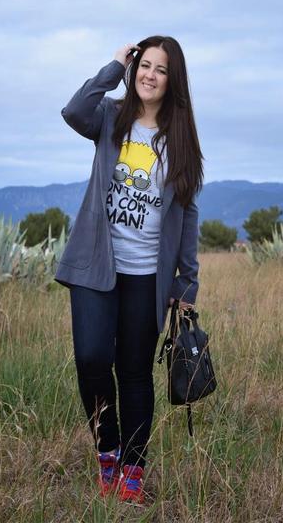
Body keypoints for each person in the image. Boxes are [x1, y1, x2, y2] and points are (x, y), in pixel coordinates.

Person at [54, 35, 204, 504]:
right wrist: (115, 65)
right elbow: (74, 109)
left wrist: (187, 279)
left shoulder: (179, 142)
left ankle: (132, 473)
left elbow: (189, 212)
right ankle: (108, 451)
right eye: (144, 65)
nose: (149, 75)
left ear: (171, 79)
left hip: (147, 278)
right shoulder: (109, 119)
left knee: (136, 372)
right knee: (93, 359)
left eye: (160, 69)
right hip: (96, 266)